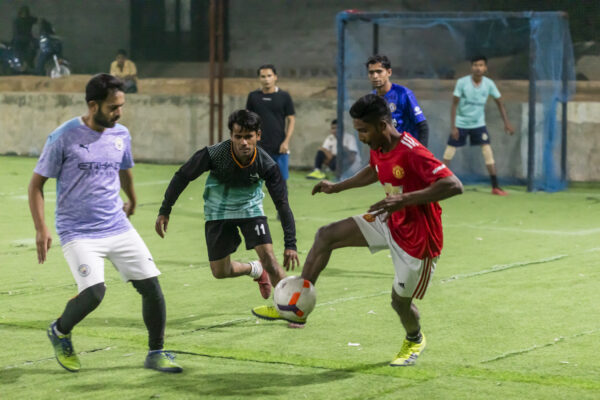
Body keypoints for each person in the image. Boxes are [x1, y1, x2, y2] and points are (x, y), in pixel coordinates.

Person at [253, 94, 463, 366]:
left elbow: (453, 185)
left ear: (383, 125)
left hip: (418, 239)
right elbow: (374, 170)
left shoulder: (412, 151)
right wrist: (337, 186)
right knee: (325, 235)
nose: (361, 136)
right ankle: (298, 305)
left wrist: (403, 199)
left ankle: (414, 339)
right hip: (389, 218)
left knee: (399, 303)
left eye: (364, 130)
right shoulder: (379, 144)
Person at [28, 74, 182, 373]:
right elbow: (36, 185)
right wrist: (41, 227)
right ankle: (59, 331)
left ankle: (156, 352)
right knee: (94, 293)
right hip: (78, 231)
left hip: (117, 225)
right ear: (93, 105)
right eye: (113, 107)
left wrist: (133, 199)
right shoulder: (63, 137)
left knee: (152, 287)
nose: (119, 113)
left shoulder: (121, 134)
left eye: (121, 106)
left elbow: (124, 169)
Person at [155, 109, 299, 302]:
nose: (243, 143)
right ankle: (255, 269)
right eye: (238, 137)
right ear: (231, 136)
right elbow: (183, 175)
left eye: (248, 137)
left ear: (258, 135)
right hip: (218, 212)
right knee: (220, 271)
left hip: (250, 210)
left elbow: (282, 204)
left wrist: (291, 244)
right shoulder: (215, 154)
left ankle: (293, 307)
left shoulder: (266, 164)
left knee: (270, 261)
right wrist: (165, 209)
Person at [443, 55, 515, 196]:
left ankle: (495, 187)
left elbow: (499, 102)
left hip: (478, 124)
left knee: (487, 151)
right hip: (461, 124)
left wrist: (506, 123)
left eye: (481, 65)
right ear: (472, 67)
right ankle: (439, 183)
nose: (478, 68)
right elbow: (454, 104)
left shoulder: (489, 84)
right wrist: (453, 127)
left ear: (485, 68)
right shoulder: (462, 82)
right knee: (449, 152)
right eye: (475, 65)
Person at [245, 64, 295, 182]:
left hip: (279, 147)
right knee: (254, 183)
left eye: (269, 76)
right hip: (258, 147)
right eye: (263, 76)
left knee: (280, 184)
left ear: (275, 77)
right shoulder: (253, 96)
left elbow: (291, 119)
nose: (266, 79)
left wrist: (286, 142)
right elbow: (248, 119)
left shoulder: (284, 96)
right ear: (259, 78)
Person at [367, 54, 429, 147]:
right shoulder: (371, 98)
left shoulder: (403, 93)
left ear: (389, 72)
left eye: (379, 71)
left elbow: (422, 126)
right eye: (371, 72)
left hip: (406, 150)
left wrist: (421, 153)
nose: (375, 76)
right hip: (385, 151)